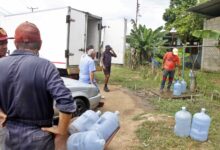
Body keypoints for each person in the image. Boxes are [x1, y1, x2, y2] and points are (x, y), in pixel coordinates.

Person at [0, 21, 76, 150]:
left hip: (7, 134)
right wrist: (61, 131)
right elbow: (66, 102)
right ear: (40, 45)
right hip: (38, 137)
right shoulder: (46, 66)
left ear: (15, 43)